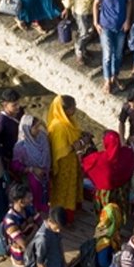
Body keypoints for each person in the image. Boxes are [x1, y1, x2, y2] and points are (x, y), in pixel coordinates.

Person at [2, 183, 41, 267]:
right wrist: (34, 230)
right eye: (28, 197)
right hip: (21, 258)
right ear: (19, 201)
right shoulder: (10, 220)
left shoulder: (29, 208)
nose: (31, 198)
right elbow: (23, 243)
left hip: (34, 252)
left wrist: (35, 228)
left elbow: (40, 222)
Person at [94, 0, 134, 93]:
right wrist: (96, 22)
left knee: (117, 54)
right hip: (106, 26)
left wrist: (128, 20)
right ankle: (107, 80)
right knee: (107, 55)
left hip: (121, 26)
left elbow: (129, 3)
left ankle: (114, 76)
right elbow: (95, 4)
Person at [46, 95, 85, 224]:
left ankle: (74, 208)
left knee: (72, 186)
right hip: (63, 164)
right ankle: (63, 216)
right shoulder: (59, 127)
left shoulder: (69, 122)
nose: (75, 110)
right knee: (64, 191)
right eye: (72, 108)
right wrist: (80, 143)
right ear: (65, 110)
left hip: (72, 161)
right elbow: (62, 150)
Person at [82, 130, 134, 214]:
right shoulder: (128, 153)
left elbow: (84, 166)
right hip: (122, 191)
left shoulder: (97, 158)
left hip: (105, 194)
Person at [11, 114, 50, 213]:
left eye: (38, 126)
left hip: (45, 175)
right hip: (31, 179)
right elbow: (15, 166)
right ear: (27, 129)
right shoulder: (21, 147)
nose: (38, 129)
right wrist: (31, 169)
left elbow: (48, 156)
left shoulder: (42, 138)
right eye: (35, 127)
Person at [0, 89, 23, 163]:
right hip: (11, 157)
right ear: (5, 105)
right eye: (14, 105)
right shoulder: (0, 122)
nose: (18, 107)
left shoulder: (19, 112)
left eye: (18, 103)